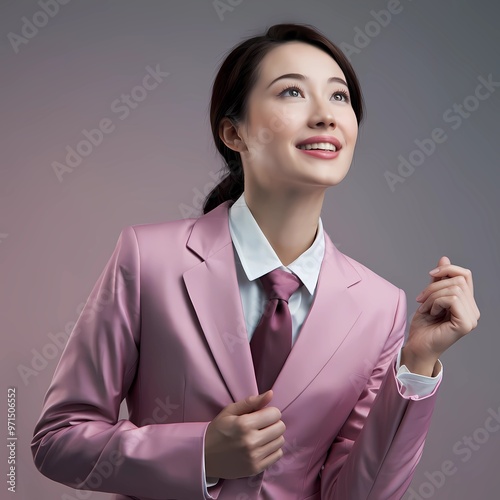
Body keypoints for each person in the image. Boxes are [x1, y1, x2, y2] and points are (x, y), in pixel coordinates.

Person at [31, 23, 480, 500]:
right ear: (233, 132)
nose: (325, 116)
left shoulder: (379, 306)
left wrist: (417, 362)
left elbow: (358, 494)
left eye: (339, 97)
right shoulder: (149, 260)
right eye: (292, 92)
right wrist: (200, 453)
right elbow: (57, 439)